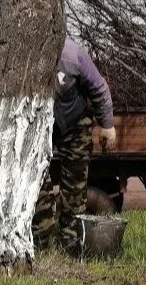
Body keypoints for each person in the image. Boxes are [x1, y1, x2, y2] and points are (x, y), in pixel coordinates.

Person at [32, 38, 116, 252]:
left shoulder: (73, 55)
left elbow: (99, 88)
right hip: (38, 125)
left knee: (75, 186)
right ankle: (42, 242)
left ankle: (70, 242)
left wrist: (107, 125)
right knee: (37, 183)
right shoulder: (25, 55)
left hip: (75, 123)